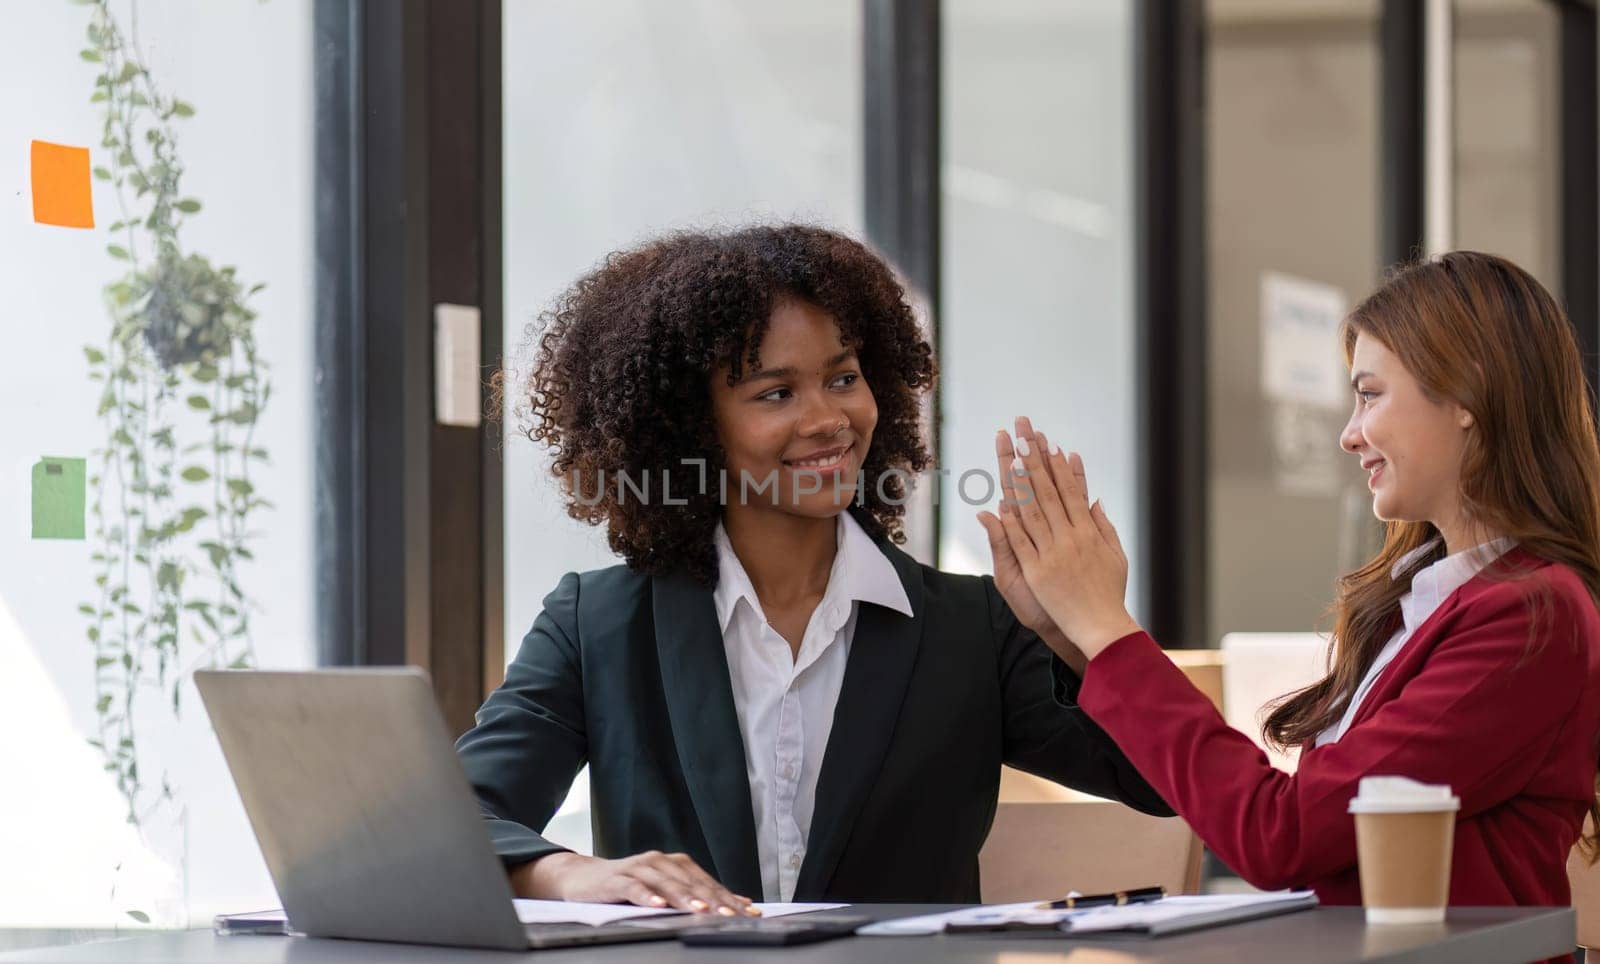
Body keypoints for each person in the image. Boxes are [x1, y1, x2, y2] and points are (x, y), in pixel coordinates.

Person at [457, 224, 1170, 916]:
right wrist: (568, 873)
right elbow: (460, 817)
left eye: (844, 378)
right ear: (689, 425)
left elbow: (1169, 785)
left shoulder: (971, 628)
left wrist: (1087, 630)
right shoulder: (599, 624)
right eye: (776, 392)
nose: (829, 418)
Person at [983, 251, 1600, 910]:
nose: (1348, 435)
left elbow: (1284, 833)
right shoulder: (1423, 600)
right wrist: (1075, 634)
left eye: (1369, 394)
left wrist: (1109, 631)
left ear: (1467, 392)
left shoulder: (1533, 615)